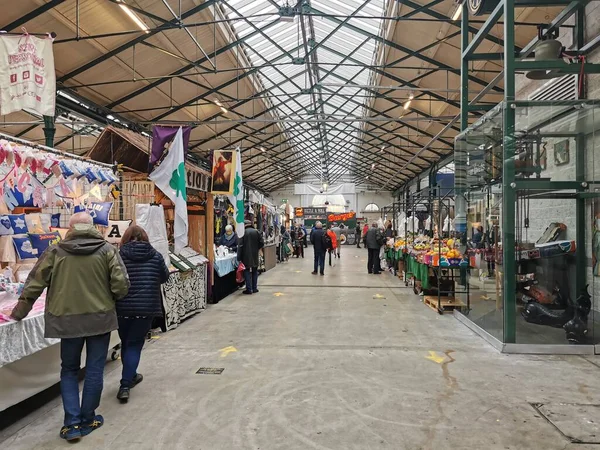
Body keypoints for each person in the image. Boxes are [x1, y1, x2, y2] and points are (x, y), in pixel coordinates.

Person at [10, 212, 129, 441]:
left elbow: (35, 283)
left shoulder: (55, 251)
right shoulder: (107, 250)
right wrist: (109, 295)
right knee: (95, 370)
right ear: (92, 226)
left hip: (66, 321)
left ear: (71, 228)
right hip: (99, 320)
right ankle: (88, 419)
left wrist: (20, 311)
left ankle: (71, 425)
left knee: (69, 370)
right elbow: (121, 285)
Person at [116, 225, 169, 403]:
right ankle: (125, 383)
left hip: (122, 307)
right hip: (146, 308)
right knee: (135, 344)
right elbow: (164, 277)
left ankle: (129, 377)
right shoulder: (155, 256)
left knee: (126, 342)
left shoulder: (118, 255)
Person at [238, 220, 264, 294]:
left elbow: (240, 246)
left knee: (246, 271)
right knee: (255, 271)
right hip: (255, 254)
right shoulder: (256, 232)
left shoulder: (243, 233)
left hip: (245, 255)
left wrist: (239, 257)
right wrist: (256, 248)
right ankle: (254, 288)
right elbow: (262, 243)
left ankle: (249, 289)